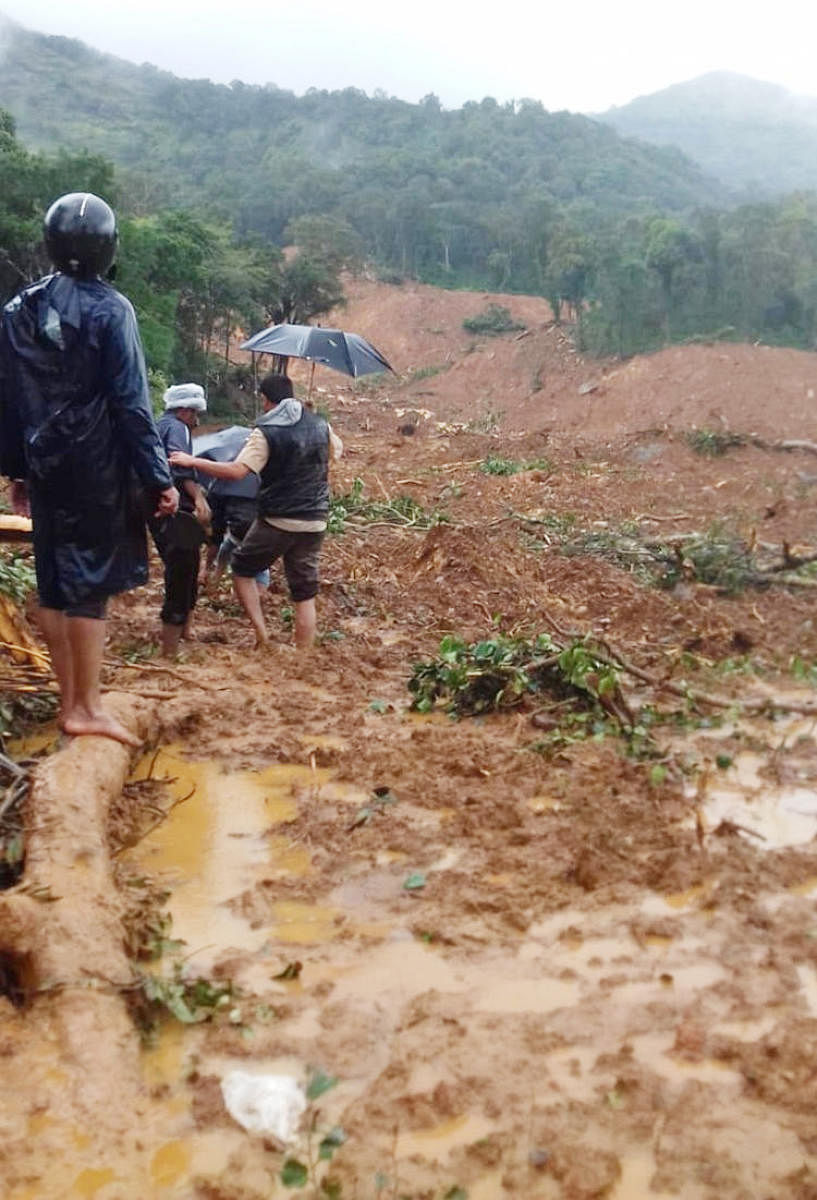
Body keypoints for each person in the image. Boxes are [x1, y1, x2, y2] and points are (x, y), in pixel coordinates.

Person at [0, 191, 178, 745]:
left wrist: (17, 472)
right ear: (107, 249)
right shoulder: (111, 309)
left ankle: (69, 700)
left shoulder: (16, 310)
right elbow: (131, 403)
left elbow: (8, 398)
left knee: (54, 583)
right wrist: (158, 477)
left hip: (46, 463)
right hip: (98, 466)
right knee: (89, 589)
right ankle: (88, 707)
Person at [169, 372, 341, 649]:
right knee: (304, 592)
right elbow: (335, 453)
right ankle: (304, 655)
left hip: (279, 518)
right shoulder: (321, 425)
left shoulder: (266, 431)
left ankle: (263, 637)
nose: (262, 407)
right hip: (315, 520)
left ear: (267, 400)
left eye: (262, 401)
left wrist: (193, 461)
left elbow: (237, 471)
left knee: (242, 569)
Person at [152, 383, 211, 658]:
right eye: (195, 413)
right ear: (185, 410)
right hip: (173, 508)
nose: (197, 420)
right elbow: (180, 466)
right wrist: (199, 499)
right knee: (182, 569)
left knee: (187, 565)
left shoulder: (159, 425)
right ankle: (170, 650)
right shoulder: (177, 428)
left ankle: (184, 631)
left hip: (157, 506)